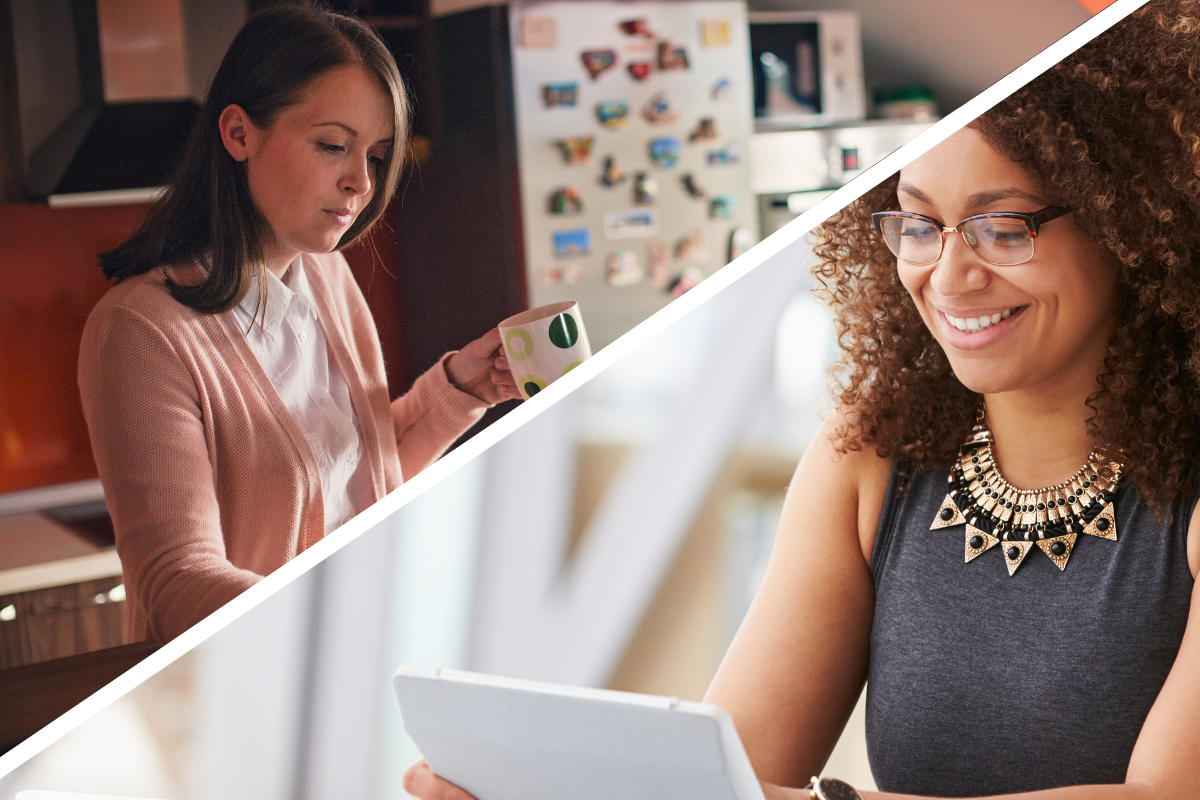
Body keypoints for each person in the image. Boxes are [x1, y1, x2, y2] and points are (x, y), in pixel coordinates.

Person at [402, 2, 1200, 798]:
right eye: (919, 225)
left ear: (1128, 217)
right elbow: (729, 781)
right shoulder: (872, 459)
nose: (950, 277)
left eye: (1002, 226)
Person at [77, 6, 519, 644]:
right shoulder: (140, 330)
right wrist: (339, 628)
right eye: (334, 146)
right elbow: (175, 579)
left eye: (376, 154)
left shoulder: (326, 277)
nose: (360, 182)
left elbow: (357, 478)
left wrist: (460, 391)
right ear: (238, 134)